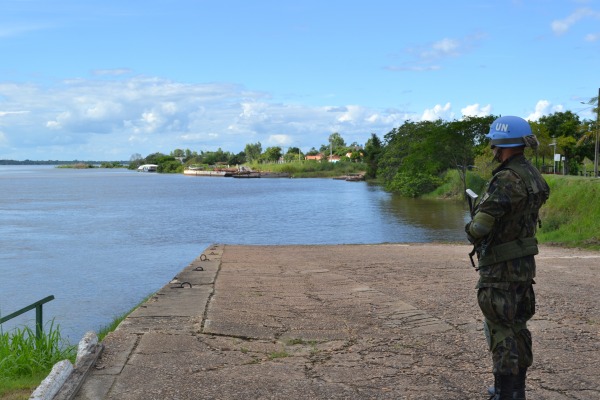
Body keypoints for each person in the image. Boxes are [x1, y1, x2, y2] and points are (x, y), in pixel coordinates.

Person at [466, 116, 550, 400]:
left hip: (500, 269)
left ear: (499, 145)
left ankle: (506, 393)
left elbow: (478, 229)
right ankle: (516, 390)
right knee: (517, 327)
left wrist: (471, 224)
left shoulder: (505, 179)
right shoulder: (532, 175)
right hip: (524, 265)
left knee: (500, 329)